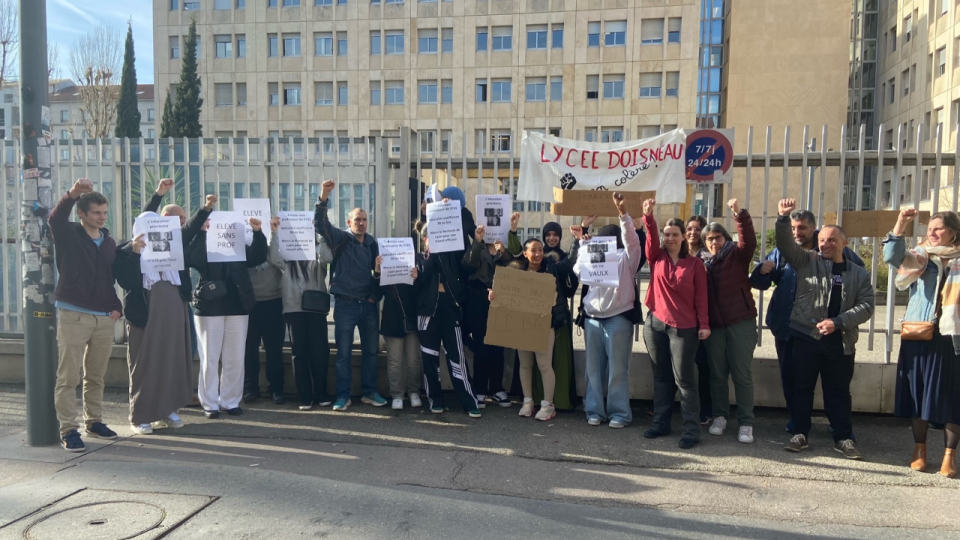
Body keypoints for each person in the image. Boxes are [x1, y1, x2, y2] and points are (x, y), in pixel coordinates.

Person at [775, 198, 874, 459]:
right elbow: (786, 245)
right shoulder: (806, 261)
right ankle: (800, 433)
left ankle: (843, 437)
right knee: (801, 387)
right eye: (822, 240)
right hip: (806, 337)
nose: (826, 244)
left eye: (832, 240)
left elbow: (867, 306)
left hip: (840, 340)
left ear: (844, 243)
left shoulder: (858, 273)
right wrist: (783, 219)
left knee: (838, 391)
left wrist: (838, 322)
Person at [751, 208, 865, 433]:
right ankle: (797, 421)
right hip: (787, 327)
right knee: (793, 379)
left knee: (835, 384)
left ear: (814, 227)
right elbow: (761, 283)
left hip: (827, 330)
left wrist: (843, 318)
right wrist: (761, 272)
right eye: (792, 228)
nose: (797, 232)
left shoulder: (832, 248)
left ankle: (838, 425)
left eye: (802, 227)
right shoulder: (781, 253)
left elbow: (858, 281)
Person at [114, 194, 214, 434]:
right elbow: (126, 280)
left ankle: (167, 409)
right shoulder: (125, 252)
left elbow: (187, 231)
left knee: (172, 358)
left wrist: (205, 210)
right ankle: (140, 416)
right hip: (145, 315)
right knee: (145, 362)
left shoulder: (174, 250)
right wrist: (136, 252)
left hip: (173, 309)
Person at [884, 208, 960, 478]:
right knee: (919, 392)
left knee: (952, 396)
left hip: (952, 336)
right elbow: (891, 257)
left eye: (939, 228)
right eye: (930, 228)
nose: (932, 232)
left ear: (953, 232)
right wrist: (901, 223)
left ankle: (949, 456)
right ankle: (919, 450)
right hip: (920, 330)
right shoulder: (921, 255)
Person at [50, 178, 124, 452]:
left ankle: (95, 422)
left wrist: (117, 307)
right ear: (82, 214)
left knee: (97, 376)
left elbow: (109, 277)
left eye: (104, 213)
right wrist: (72, 194)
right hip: (74, 314)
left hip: (104, 317)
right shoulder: (69, 233)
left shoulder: (109, 242)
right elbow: (55, 218)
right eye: (96, 213)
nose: (102, 217)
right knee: (69, 377)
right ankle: (69, 430)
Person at [187, 208, 268, 418]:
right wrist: (202, 233)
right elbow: (192, 259)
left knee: (235, 357)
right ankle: (210, 404)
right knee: (209, 358)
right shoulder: (204, 241)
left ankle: (230, 401)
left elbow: (258, 257)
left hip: (238, 305)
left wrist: (258, 233)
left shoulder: (239, 245)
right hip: (209, 306)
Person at [570, 193, 642, 428]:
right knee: (593, 369)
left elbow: (632, 240)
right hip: (592, 318)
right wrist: (583, 243)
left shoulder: (627, 258)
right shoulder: (591, 254)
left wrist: (623, 215)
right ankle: (594, 411)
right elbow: (578, 272)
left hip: (618, 318)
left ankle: (619, 413)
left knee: (618, 370)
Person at [641, 203, 710, 449]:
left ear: (684, 238)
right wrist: (648, 217)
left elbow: (701, 298)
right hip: (655, 324)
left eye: (674, 234)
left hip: (684, 328)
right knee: (661, 377)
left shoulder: (695, 265)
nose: (669, 238)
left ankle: (690, 430)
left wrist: (704, 324)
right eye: (666, 234)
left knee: (684, 380)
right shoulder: (656, 258)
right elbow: (650, 238)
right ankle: (660, 424)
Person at [315, 179, 387, 411]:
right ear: (349, 222)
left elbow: (379, 276)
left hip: (367, 306)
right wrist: (324, 195)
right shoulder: (341, 238)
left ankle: (369, 392)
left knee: (371, 353)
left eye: (365, 220)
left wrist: (374, 298)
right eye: (358, 220)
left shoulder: (373, 243)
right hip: (345, 306)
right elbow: (320, 223)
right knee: (343, 354)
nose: (362, 223)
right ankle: (343, 396)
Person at [497, 236, 577, 421]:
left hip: (545, 323)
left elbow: (570, 260)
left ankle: (548, 405)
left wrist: (578, 239)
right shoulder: (517, 272)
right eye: (533, 250)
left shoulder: (552, 269)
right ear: (525, 253)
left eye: (540, 249)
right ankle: (528, 401)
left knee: (544, 364)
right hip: (522, 324)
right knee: (525, 364)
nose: (538, 253)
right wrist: (494, 295)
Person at [701, 199, 758, 444]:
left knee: (742, 374)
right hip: (715, 327)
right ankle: (720, 416)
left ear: (726, 238)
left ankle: (746, 422)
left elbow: (749, 242)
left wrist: (739, 215)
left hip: (740, 322)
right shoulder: (701, 263)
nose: (714, 242)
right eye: (709, 239)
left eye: (718, 237)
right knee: (717, 374)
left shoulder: (737, 253)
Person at [415, 214, 482, 418]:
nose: (435, 239)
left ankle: (469, 401)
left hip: (450, 310)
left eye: (438, 235)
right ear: (425, 239)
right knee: (429, 358)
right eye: (430, 236)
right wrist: (432, 255)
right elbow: (421, 277)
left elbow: (469, 264)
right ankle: (435, 399)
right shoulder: (418, 258)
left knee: (457, 357)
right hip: (427, 314)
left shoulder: (451, 256)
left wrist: (477, 242)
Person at [267, 216, 335, 411]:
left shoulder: (316, 252)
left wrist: (320, 235)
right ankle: (304, 396)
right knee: (299, 353)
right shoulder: (287, 257)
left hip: (315, 309)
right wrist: (274, 233)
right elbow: (273, 257)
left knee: (320, 351)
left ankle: (321, 393)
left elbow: (328, 258)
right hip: (293, 309)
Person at [463, 224, 512, 409]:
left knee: (498, 346)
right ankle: (480, 389)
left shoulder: (503, 250)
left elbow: (516, 268)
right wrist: (476, 241)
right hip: (478, 302)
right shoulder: (477, 247)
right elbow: (468, 265)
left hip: (500, 303)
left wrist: (505, 252)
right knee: (481, 347)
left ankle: (498, 388)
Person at [536, 220, 581, 411]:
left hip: (559, 317)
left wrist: (577, 239)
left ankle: (561, 400)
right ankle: (539, 399)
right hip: (537, 318)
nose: (551, 238)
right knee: (540, 362)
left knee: (560, 361)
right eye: (548, 235)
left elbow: (571, 264)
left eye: (555, 235)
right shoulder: (535, 257)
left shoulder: (563, 259)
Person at [243, 221, 286, 406]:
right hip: (249, 305)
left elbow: (282, 264)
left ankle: (276, 389)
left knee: (274, 350)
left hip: (274, 303)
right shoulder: (242, 250)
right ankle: (250, 388)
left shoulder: (273, 249)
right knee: (248, 350)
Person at [377, 250, 423, 411]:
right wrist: (377, 272)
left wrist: (417, 279)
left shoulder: (414, 268)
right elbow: (375, 295)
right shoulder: (384, 271)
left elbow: (420, 295)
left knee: (413, 360)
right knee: (394, 361)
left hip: (411, 320)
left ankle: (413, 392)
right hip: (392, 320)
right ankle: (397, 394)